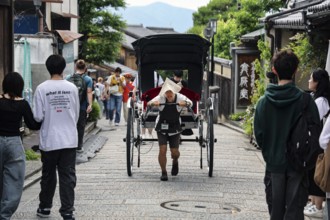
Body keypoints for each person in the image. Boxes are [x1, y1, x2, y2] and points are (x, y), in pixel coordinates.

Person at [253, 50, 320, 219]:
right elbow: (315, 134)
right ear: (295, 70)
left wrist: (271, 151)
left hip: (274, 164)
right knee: (295, 212)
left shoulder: (263, 102)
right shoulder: (306, 101)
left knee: (275, 213)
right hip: (298, 165)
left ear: (274, 70)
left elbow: (259, 136)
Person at [33, 54, 80, 220]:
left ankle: (45, 208)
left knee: (48, 176)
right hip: (69, 139)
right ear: (63, 69)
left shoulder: (41, 88)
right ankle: (67, 211)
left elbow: (38, 116)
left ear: (48, 68)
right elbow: (75, 115)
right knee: (67, 176)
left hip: (50, 139)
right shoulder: (72, 88)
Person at [0, 72, 41, 220]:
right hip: (14, 143)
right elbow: (33, 125)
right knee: (14, 181)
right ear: (20, 87)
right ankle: (4, 215)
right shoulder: (22, 103)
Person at [147, 78, 192, 181]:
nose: (169, 96)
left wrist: (185, 103)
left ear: (174, 92)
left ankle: (175, 161)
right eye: (167, 93)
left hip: (175, 126)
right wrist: (153, 104)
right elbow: (149, 102)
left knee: (174, 152)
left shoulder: (180, 97)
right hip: (162, 126)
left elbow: (190, 102)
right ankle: (164, 172)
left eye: (170, 93)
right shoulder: (161, 97)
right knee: (162, 150)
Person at [304, 68, 330, 218]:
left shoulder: (321, 101)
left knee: (318, 172)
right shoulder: (320, 99)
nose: (308, 81)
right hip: (318, 142)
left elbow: (313, 121)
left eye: (311, 78)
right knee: (315, 172)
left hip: (319, 143)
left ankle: (318, 206)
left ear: (318, 83)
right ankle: (314, 203)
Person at [66, 60, 93, 153]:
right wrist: (90, 104)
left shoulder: (68, 77)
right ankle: (79, 146)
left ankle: (69, 145)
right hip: (81, 106)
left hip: (70, 107)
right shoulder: (88, 79)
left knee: (70, 125)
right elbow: (89, 92)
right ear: (85, 68)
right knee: (80, 126)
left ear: (75, 67)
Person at [133, 71, 164, 138]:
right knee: (142, 114)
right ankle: (143, 133)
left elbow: (161, 87)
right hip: (142, 97)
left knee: (152, 115)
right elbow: (135, 87)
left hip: (154, 97)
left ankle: (149, 133)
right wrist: (134, 95)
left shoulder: (157, 75)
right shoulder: (139, 75)